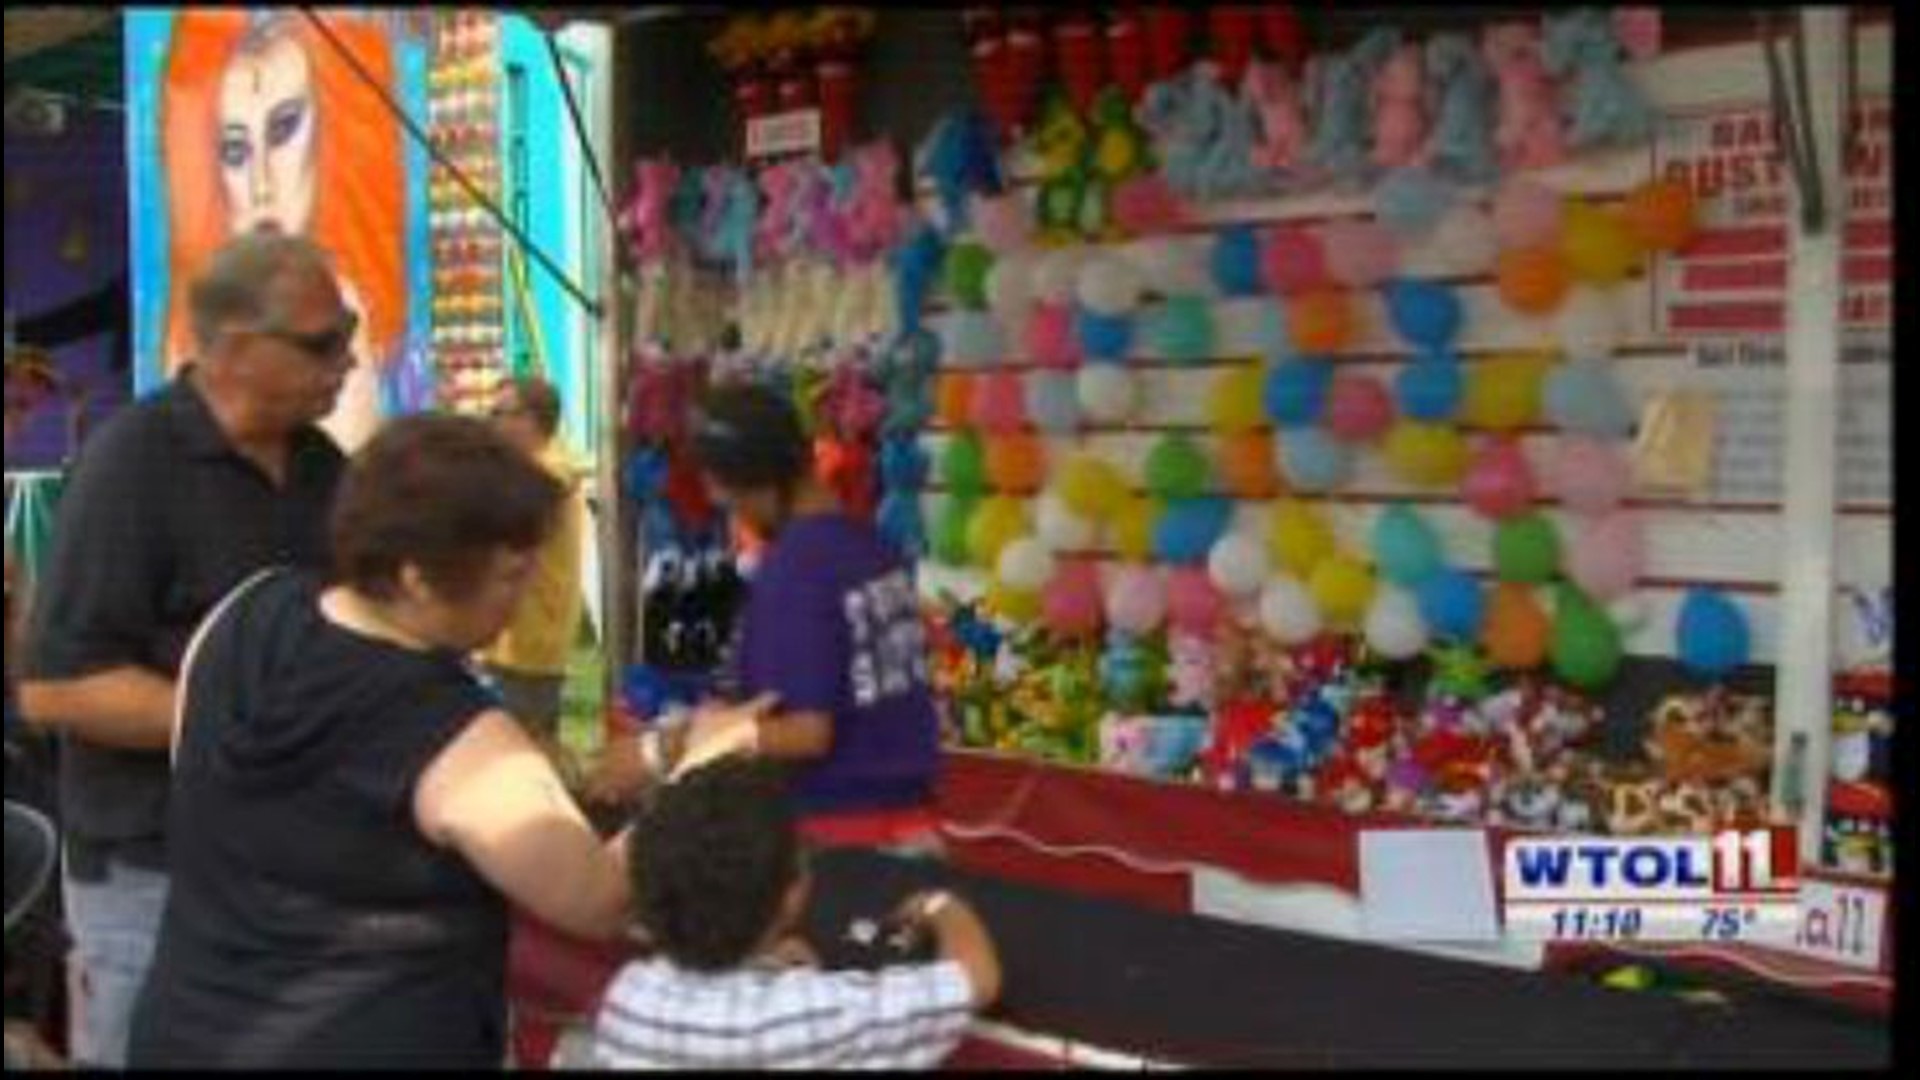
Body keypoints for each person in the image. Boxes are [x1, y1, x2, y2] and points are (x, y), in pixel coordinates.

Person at [125, 414, 766, 1068]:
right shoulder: (453, 733)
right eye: (510, 577)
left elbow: (214, 773)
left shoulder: (246, 610)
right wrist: (699, 767)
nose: (521, 602)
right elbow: (594, 898)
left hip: (188, 1030)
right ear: (416, 577)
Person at [17, 231, 354, 1067]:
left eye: (346, 333)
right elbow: (56, 689)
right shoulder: (130, 464)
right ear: (237, 351)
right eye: (322, 342)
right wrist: (243, 722)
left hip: (293, 867)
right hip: (149, 873)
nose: (346, 360)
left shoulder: (324, 469)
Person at [589, 755, 1000, 1069]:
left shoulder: (629, 994)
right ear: (789, 897)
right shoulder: (809, 1013)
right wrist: (942, 906)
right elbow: (974, 978)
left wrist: (764, 967)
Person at [687, 382, 947, 852]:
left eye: (732, 501)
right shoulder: (872, 545)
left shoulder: (798, 564)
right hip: (914, 830)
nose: (736, 517)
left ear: (760, 483)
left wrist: (693, 743)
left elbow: (808, 732)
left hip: (844, 844)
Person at [161, 9, 407, 451]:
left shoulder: (339, 298)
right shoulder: (185, 338)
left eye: (284, 129)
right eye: (234, 149)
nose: (261, 184)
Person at [478, 377, 587, 763]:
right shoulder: (534, 468)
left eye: (501, 413)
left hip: (532, 637)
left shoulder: (550, 472)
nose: (492, 424)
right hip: (515, 635)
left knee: (523, 752)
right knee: (528, 745)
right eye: (490, 413)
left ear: (533, 419)